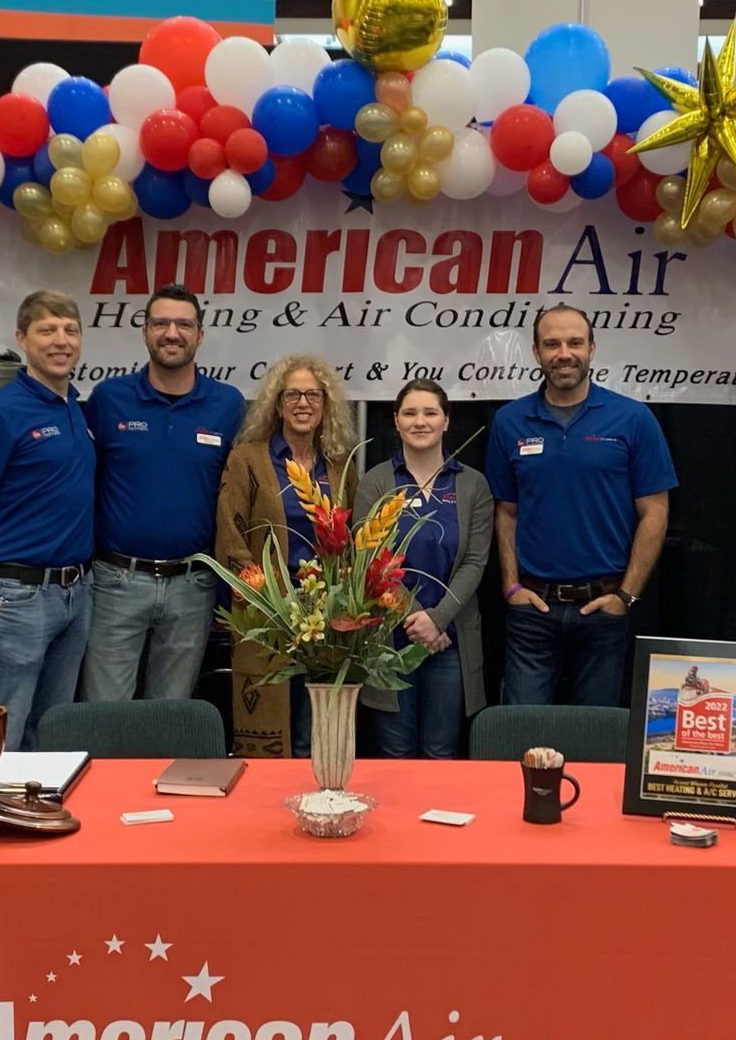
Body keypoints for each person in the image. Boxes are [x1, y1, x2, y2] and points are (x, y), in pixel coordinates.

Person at [486, 303, 676, 708]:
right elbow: (506, 510)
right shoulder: (509, 421)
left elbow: (655, 512)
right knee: (523, 736)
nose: (564, 353)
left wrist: (625, 597)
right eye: (551, 344)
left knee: (596, 743)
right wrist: (510, 585)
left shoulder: (633, 419)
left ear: (592, 348)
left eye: (574, 342)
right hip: (531, 610)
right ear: (536, 353)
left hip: (603, 609)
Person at [0, 290, 94, 751]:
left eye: (70, 330)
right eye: (47, 330)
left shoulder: (74, 409)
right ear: (22, 339)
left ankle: (34, 816)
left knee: (51, 731)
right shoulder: (1, 414)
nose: (60, 341)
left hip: (75, 594)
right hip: (17, 597)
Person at [80, 285, 246, 702]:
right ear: (145, 332)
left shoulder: (228, 404)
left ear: (200, 335)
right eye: (161, 323)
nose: (172, 333)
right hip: (116, 582)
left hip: (193, 586)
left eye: (184, 324)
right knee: (105, 716)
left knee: (169, 720)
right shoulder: (108, 400)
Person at [214, 354, 356, 758]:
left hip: (327, 616)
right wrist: (264, 592)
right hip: (267, 611)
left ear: (326, 405)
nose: (303, 403)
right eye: (292, 394)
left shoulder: (338, 465)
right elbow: (229, 533)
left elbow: (353, 533)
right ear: (277, 404)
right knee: (269, 726)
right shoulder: (248, 459)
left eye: (313, 394)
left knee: (316, 725)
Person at [353, 378, 491, 758]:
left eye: (430, 412)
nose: (420, 421)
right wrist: (417, 620)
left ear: (446, 421)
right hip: (390, 642)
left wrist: (439, 620)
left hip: (449, 642)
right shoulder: (376, 482)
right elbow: (368, 560)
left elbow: (475, 561)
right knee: (394, 755)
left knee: (441, 754)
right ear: (395, 421)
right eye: (410, 413)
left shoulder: (472, 485)